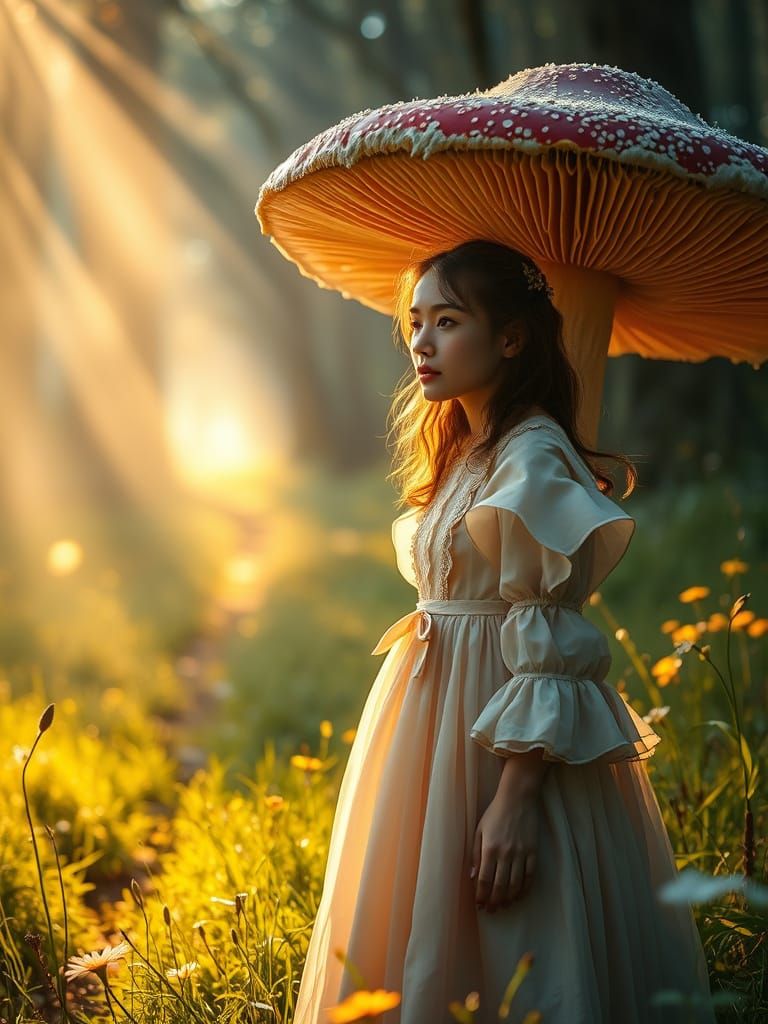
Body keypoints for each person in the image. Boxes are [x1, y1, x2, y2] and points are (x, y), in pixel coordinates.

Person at [291, 240, 716, 1024]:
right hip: (430, 724)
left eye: (448, 321)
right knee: (425, 923)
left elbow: (553, 634)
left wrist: (516, 798)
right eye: (415, 322)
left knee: (511, 931)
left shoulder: (533, 458)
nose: (422, 342)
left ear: (510, 337)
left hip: (497, 733)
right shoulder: (466, 448)